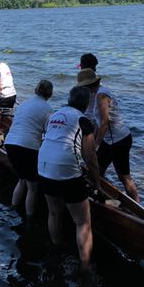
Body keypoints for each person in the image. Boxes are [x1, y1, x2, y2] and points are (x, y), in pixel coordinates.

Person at [37, 86, 100, 271]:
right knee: (82, 222)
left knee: (54, 212)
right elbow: (90, 157)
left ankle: (56, 249)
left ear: (69, 99)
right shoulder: (83, 120)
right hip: (66, 171)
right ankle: (85, 266)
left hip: (44, 167)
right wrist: (96, 182)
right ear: (87, 103)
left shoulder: (54, 115)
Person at [78, 69, 138, 202]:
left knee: (124, 178)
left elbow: (104, 122)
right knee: (97, 169)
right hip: (109, 139)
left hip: (119, 140)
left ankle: (139, 207)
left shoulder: (101, 96)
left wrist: (96, 144)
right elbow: (98, 123)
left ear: (86, 85)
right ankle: (102, 197)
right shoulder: (98, 93)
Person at [3, 80, 54, 219]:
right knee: (32, 185)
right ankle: (29, 217)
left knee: (21, 179)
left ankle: (13, 208)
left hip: (10, 142)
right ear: (50, 94)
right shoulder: (48, 109)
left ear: (36, 90)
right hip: (28, 146)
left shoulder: (24, 103)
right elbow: (48, 132)